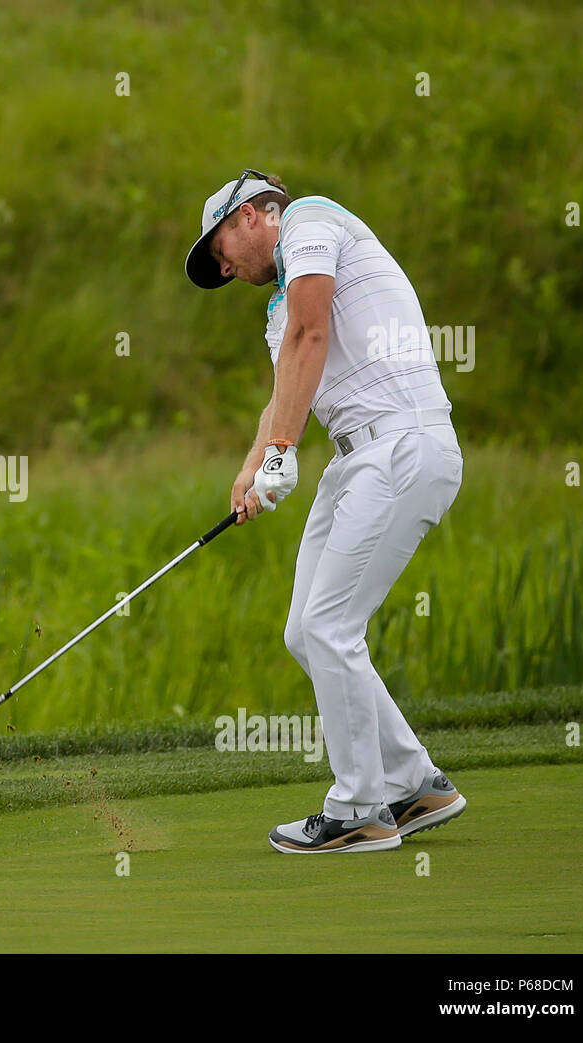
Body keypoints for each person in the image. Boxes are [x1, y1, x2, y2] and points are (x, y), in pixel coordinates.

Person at [185, 169, 468, 853]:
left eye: (219, 246)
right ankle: (414, 783)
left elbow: (314, 334)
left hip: (403, 443)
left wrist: (283, 450)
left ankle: (360, 809)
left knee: (331, 624)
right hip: (355, 461)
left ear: (253, 214)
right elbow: (293, 376)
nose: (221, 266)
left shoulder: (311, 220)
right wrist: (258, 462)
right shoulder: (279, 307)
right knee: (305, 632)